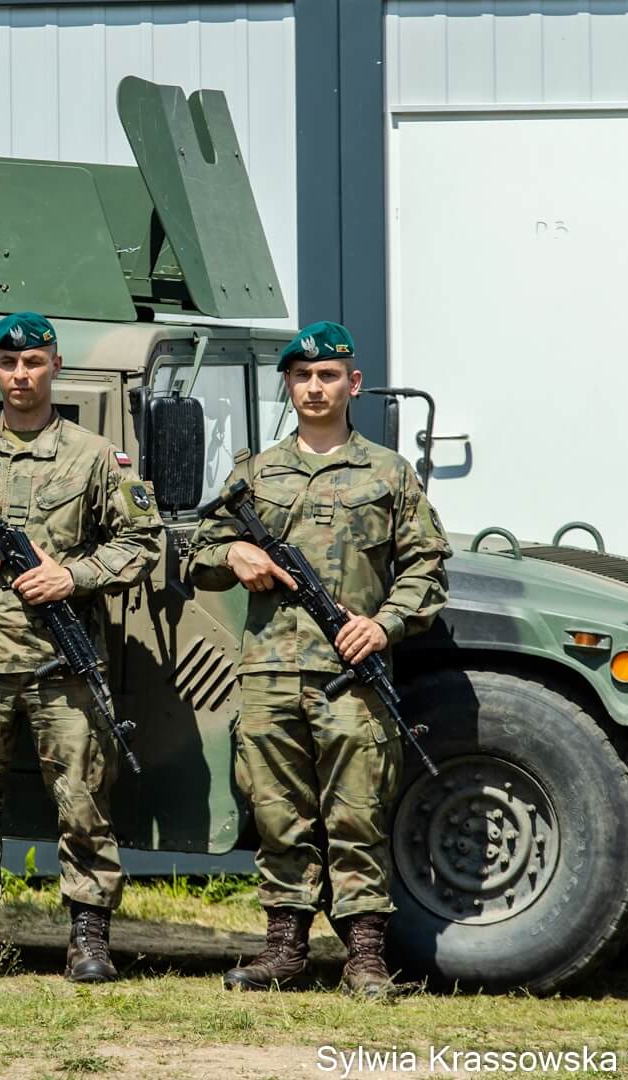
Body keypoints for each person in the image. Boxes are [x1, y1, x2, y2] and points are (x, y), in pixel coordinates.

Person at [185, 320, 449, 998]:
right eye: (301, 376)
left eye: (327, 375)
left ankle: (365, 959)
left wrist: (384, 625)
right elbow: (196, 551)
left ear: (352, 384)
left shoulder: (388, 473)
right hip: (269, 670)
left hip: (351, 675)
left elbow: (427, 567)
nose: (313, 387)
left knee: (358, 814)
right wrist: (233, 553)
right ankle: (285, 951)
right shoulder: (255, 473)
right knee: (276, 813)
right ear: (288, 385)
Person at [0, 311, 161, 983]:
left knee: (84, 801)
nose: (20, 374)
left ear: (55, 366)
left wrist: (72, 576)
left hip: (64, 662)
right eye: (8, 363)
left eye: (33, 362)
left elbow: (143, 542)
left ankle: (88, 937)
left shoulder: (95, 457)